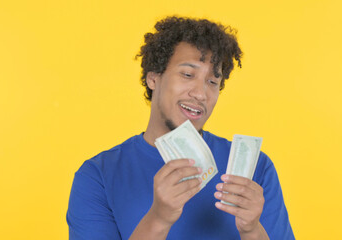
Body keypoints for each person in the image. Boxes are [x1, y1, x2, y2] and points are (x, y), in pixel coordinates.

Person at [66, 16, 295, 240]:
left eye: (212, 82)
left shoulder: (257, 169)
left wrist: (252, 230)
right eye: (187, 74)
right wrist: (159, 218)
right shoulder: (97, 176)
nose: (200, 93)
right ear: (154, 78)